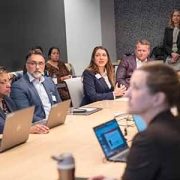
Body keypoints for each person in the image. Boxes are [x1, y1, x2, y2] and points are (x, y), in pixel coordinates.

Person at [90, 63, 180, 180]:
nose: (127, 94)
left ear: (157, 98)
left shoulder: (149, 139)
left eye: (136, 87)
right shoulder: (174, 124)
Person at [10, 50, 61, 133]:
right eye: (33, 63)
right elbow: (25, 115)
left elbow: (59, 104)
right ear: (26, 66)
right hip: (38, 129)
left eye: (41, 63)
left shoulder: (49, 81)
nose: (37, 67)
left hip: (55, 124)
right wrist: (47, 122)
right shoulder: (18, 86)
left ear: (44, 65)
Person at [0, 66, 16, 134]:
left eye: (9, 80)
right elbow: (2, 127)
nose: (9, 85)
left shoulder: (7, 99)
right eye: (3, 82)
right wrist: (28, 129)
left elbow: (17, 119)